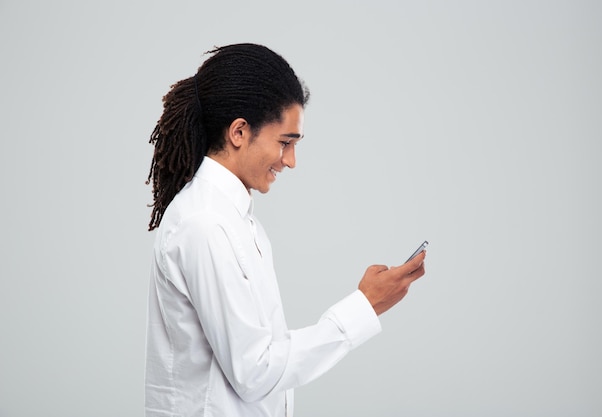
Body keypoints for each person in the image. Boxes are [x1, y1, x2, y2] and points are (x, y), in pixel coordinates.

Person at [144, 43, 426, 417]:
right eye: (285, 142)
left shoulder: (239, 223)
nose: (291, 161)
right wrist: (364, 306)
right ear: (239, 132)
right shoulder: (205, 226)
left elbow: (263, 367)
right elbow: (255, 371)